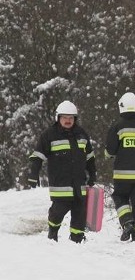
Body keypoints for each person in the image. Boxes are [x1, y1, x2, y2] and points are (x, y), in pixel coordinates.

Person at [27, 101, 97, 243]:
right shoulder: (49, 135)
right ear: (58, 118)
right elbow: (38, 156)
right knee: (57, 213)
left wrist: (93, 174)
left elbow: (90, 157)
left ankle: (77, 239)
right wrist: (33, 174)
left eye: (71, 118)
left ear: (75, 119)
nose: (68, 120)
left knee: (80, 215)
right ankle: (53, 232)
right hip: (60, 185)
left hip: (79, 185)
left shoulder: (82, 135)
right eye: (64, 117)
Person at [105, 92, 135, 242]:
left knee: (120, 197)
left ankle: (127, 221)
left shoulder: (118, 127)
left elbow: (110, 150)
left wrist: (109, 154)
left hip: (122, 175)